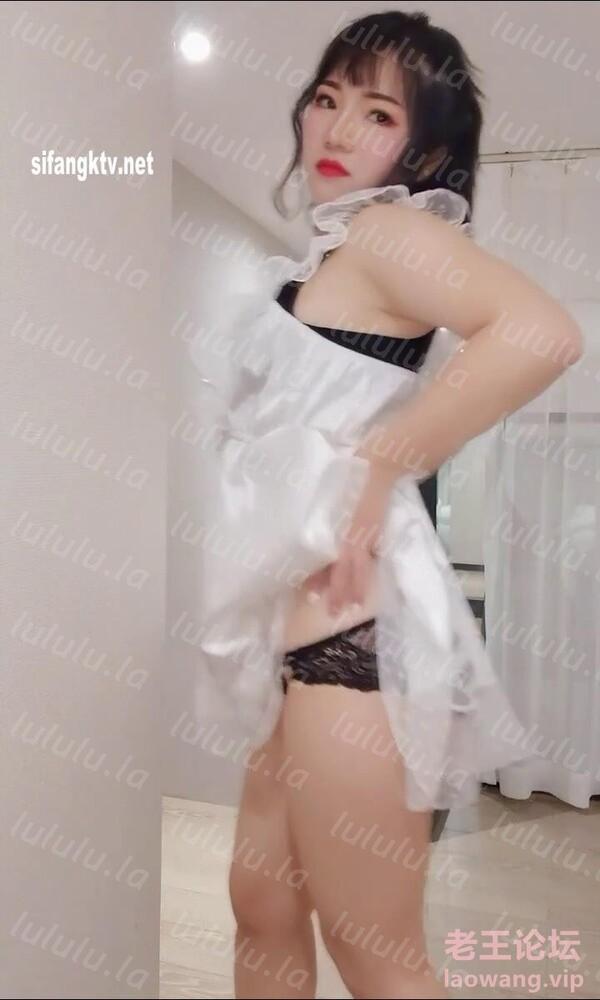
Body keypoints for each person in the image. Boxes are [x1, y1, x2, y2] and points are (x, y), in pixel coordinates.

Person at [188, 11, 583, 999]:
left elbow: (540, 332)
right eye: (327, 99)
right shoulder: (321, 259)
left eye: (377, 113)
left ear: (425, 151)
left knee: (377, 954)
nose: (335, 128)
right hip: (301, 638)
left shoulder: (388, 231)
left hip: (357, 641)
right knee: (263, 906)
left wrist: (383, 464)